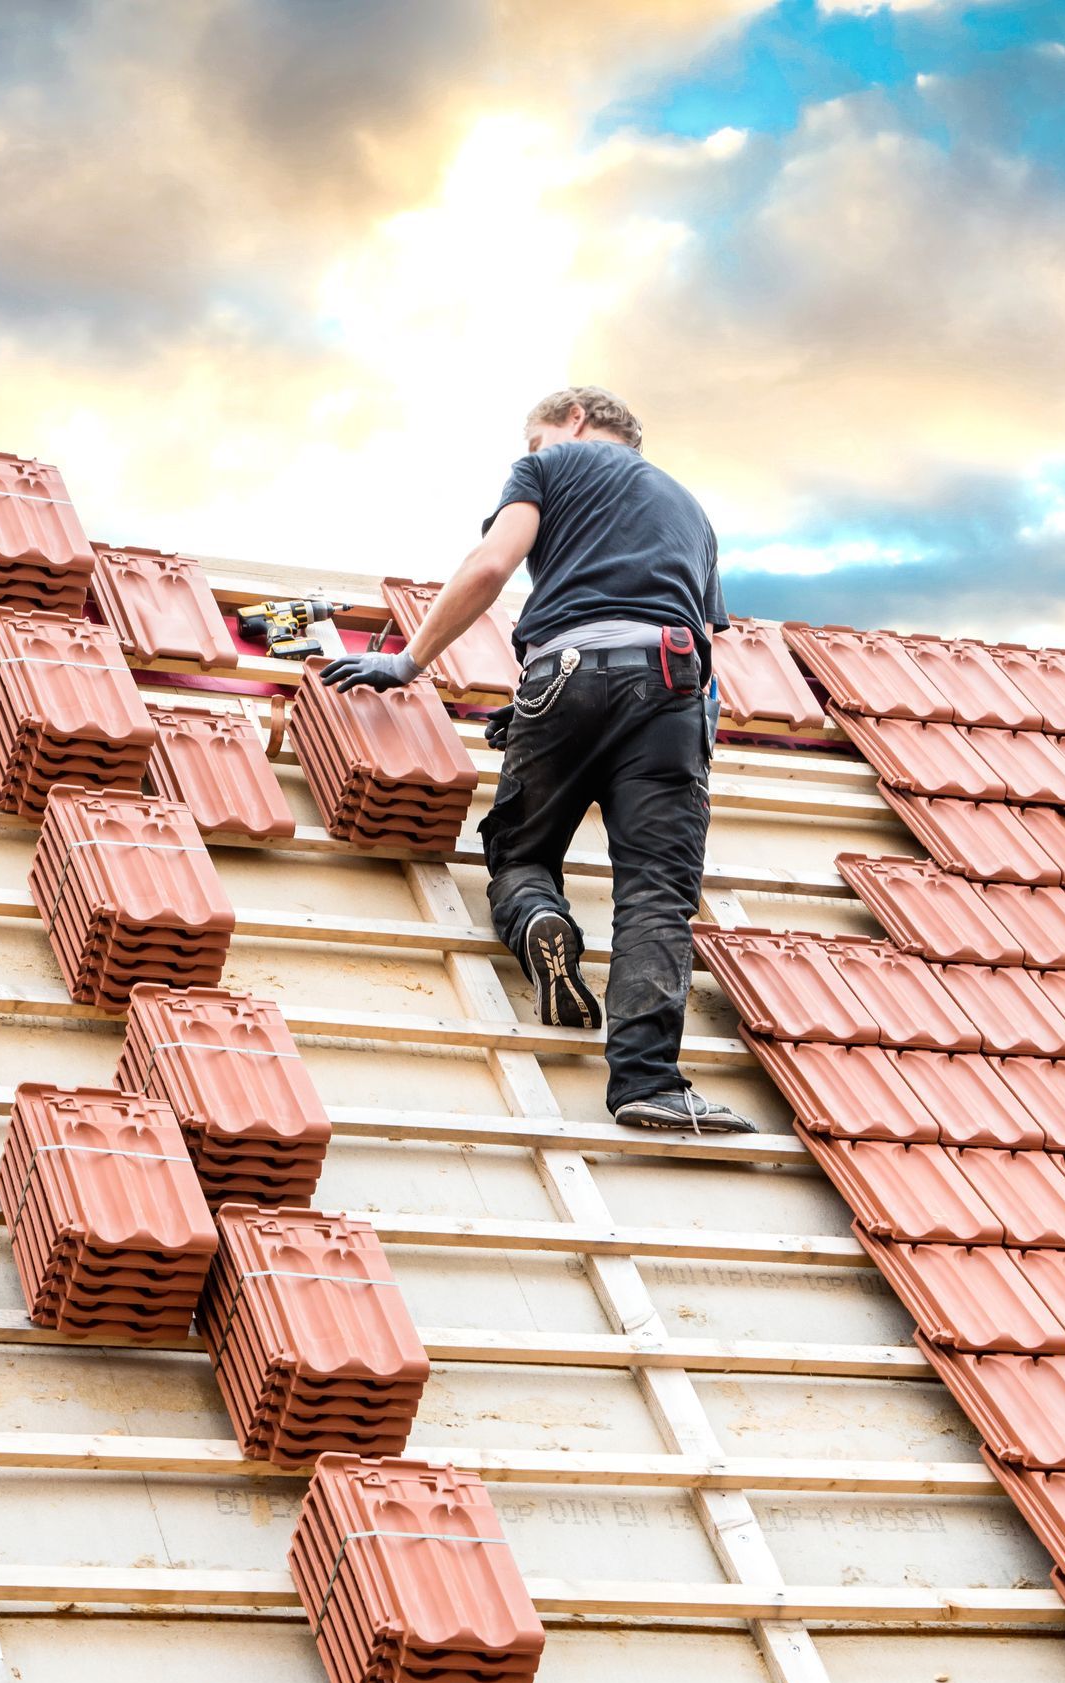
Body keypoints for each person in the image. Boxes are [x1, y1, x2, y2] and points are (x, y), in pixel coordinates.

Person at [322, 384, 754, 1135]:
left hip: (564, 670)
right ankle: (648, 1084)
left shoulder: (554, 466)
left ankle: (538, 920)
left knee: (519, 851)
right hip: (674, 686)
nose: (531, 453)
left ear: (575, 421)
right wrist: (685, 762)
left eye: (534, 438)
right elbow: (708, 663)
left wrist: (409, 663)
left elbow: (492, 567)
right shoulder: (693, 512)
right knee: (657, 892)